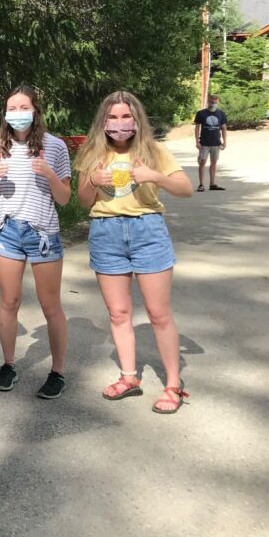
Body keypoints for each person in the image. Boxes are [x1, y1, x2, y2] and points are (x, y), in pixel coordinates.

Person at [75, 90, 193, 414]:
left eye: (126, 116)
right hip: (106, 232)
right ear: (104, 121)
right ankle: (129, 377)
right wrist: (92, 182)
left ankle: (172, 384)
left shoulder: (155, 152)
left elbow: (186, 189)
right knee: (119, 313)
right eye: (113, 117)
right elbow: (83, 201)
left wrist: (154, 176)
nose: (120, 123)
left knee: (158, 314)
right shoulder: (93, 152)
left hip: (147, 230)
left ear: (137, 119)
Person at [0, 86, 71, 398]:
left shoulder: (54, 147)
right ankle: (8, 365)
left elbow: (66, 198)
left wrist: (49, 174)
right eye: (12, 107)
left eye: (23, 106)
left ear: (35, 111)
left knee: (50, 305)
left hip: (43, 234)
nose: (18, 112)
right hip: (8, 233)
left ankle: (57, 371)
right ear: (5, 114)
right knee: (9, 302)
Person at [194, 94, 228, 192]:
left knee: (214, 163)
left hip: (216, 143)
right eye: (212, 102)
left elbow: (224, 128)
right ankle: (201, 184)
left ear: (218, 102)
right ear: (208, 102)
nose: (213, 104)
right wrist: (197, 141)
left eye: (215, 102)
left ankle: (212, 184)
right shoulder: (201, 113)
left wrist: (224, 141)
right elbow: (197, 128)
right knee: (202, 162)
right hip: (204, 143)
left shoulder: (221, 114)